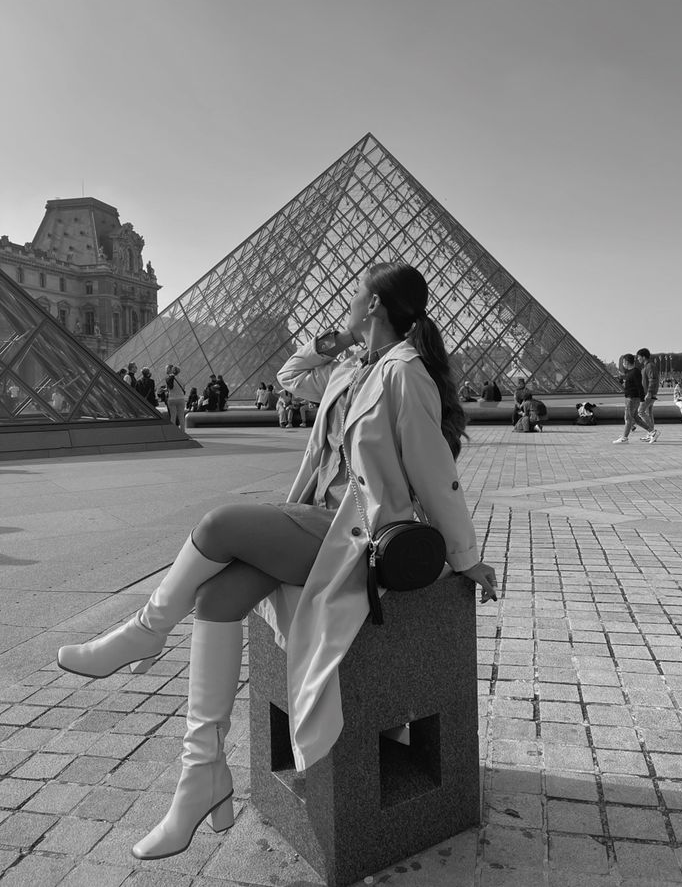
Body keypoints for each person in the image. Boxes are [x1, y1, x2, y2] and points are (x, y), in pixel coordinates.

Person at [55, 262, 498, 861]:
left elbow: (435, 474)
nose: (346, 304)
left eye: (355, 296)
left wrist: (466, 557)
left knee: (218, 525)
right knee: (218, 596)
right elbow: (291, 377)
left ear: (374, 306)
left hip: (354, 533)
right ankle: (201, 777)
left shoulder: (404, 375)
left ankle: (145, 632)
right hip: (318, 520)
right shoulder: (351, 369)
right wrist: (331, 344)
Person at [613, 353, 659, 444]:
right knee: (636, 418)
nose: (622, 364)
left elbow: (640, 387)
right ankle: (652, 432)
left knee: (628, 418)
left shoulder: (635, 372)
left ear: (626, 362)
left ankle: (624, 438)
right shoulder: (631, 372)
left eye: (623, 362)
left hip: (632, 398)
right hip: (630, 398)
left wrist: (642, 400)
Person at [636, 348, 659, 434]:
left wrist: (649, 392)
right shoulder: (647, 366)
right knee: (648, 413)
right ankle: (651, 433)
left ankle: (652, 432)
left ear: (644, 357)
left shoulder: (649, 366)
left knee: (640, 412)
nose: (638, 359)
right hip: (649, 393)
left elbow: (652, 379)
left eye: (639, 357)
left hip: (648, 394)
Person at [165, 364, 187, 430]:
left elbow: (169, 388)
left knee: (173, 416)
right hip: (181, 399)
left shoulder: (168, 379)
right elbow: (183, 388)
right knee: (181, 417)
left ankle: (173, 432)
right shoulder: (181, 380)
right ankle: (183, 431)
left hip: (171, 399)